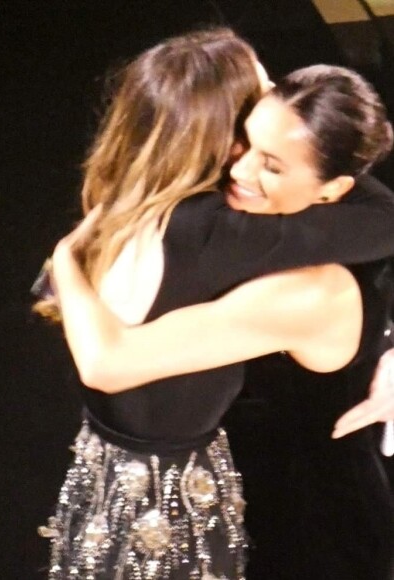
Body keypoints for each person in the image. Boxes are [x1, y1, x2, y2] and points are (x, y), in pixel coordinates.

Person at [38, 28, 394, 579]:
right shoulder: (223, 234)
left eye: (272, 156)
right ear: (223, 135)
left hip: (278, 502)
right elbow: (108, 364)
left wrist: (64, 258)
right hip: (219, 499)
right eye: (260, 100)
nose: (274, 91)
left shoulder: (128, 204)